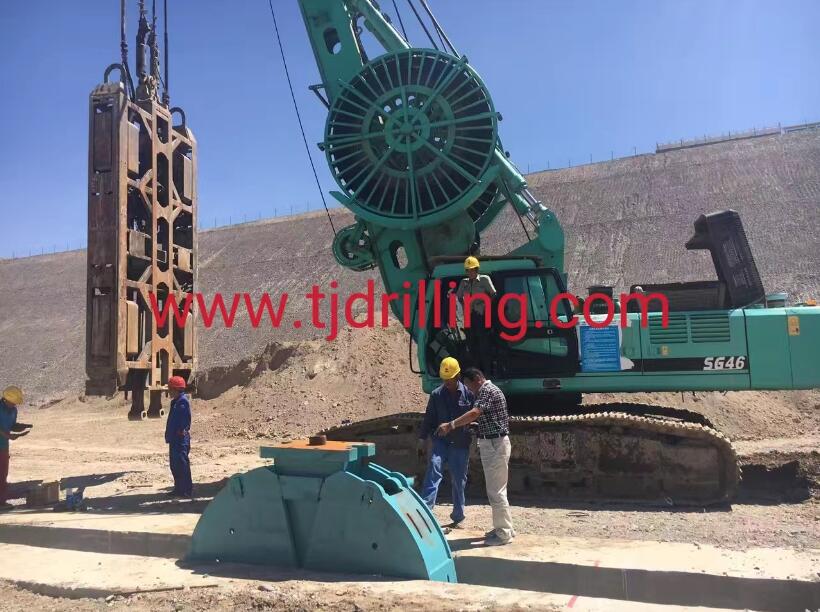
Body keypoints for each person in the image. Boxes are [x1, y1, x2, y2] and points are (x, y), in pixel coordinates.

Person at [436, 367, 514, 546]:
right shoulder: (490, 390)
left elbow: (475, 412)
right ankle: (505, 528)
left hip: (494, 444)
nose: (469, 390)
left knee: (496, 492)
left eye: (469, 385)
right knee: (498, 490)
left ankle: (503, 534)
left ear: (477, 379)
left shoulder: (486, 390)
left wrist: (451, 425)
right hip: (494, 442)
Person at [417, 357, 474, 532]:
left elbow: (475, 416)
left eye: (449, 379)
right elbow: (429, 418)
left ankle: (458, 516)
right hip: (440, 442)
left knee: (459, 479)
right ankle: (425, 512)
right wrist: (422, 439)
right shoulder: (436, 395)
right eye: (444, 379)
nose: (447, 382)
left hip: (460, 443)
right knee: (433, 472)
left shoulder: (469, 394)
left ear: (457, 376)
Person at [455, 256, 497, 375]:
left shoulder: (484, 279)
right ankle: (475, 374)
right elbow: (459, 296)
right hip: (469, 317)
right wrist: (465, 305)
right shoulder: (464, 282)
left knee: (484, 345)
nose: (470, 272)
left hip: (481, 316)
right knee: (472, 346)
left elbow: (494, 294)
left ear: (477, 269)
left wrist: (484, 304)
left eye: (472, 270)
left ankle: (487, 373)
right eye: (468, 270)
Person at [0, 386, 33, 510]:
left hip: (3, 447)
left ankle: (1, 501)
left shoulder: (13, 410)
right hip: (3, 442)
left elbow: (12, 425)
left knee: (2, 474)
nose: (14, 405)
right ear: (6, 399)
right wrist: (8, 435)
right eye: (13, 402)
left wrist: (21, 427)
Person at [165, 376, 192, 498]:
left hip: (180, 439)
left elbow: (185, 420)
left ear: (176, 389)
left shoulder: (183, 402)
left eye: (170, 389)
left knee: (182, 465)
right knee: (174, 465)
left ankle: (186, 490)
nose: (169, 391)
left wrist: (180, 432)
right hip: (174, 439)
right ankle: (178, 489)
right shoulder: (175, 402)